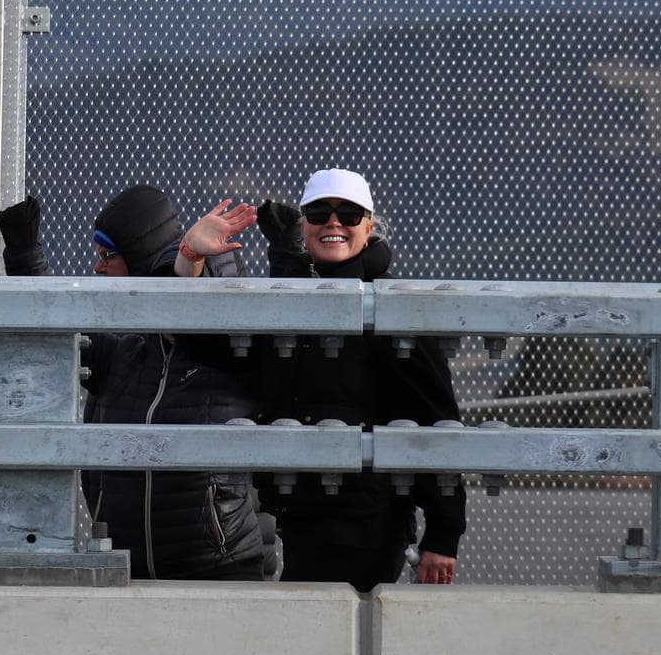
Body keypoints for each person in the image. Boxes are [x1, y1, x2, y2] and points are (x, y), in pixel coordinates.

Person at [180, 169, 465, 591]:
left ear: (369, 226)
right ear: (303, 227)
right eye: (318, 212)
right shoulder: (289, 307)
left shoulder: (394, 309)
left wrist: (443, 535)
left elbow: (436, 420)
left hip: (369, 524)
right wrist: (190, 258)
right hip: (299, 518)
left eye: (349, 214)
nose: (334, 223)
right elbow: (204, 345)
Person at [0, 187, 267, 580]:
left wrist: (190, 256)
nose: (98, 268)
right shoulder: (125, 356)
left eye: (109, 256)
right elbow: (55, 333)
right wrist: (24, 255)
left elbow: (208, 297)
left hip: (221, 572)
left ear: (140, 261)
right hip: (127, 572)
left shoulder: (229, 353)